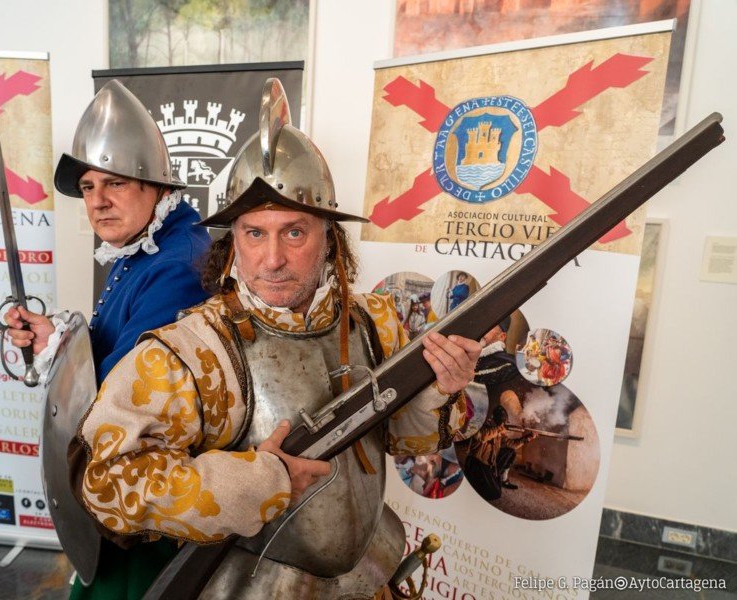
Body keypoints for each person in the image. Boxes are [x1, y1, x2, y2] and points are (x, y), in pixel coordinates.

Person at [68, 79, 482, 598]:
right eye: (254, 234)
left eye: (294, 232)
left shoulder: (375, 322)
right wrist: (258, 482)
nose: (272, 260)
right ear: (233, 238)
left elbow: (403, 440)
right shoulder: (196, 350)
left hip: (369, 572)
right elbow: (106, 482)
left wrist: (435, 391)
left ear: (328, 235)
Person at [3, 80, 211, 598]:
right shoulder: (144, 248)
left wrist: (60, 359)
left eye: (114, 184)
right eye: (89, 187)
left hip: (149, 511)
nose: (97, 202)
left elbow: (120, 395)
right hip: (124, 493)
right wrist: (58, 341)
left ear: (158, 187)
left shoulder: (178, 266)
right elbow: (110, 349)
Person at [463, 405, 537, 501]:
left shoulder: (498, 431)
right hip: (476, 463)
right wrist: (499, 429)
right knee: (495, 494)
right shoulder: (481, 425)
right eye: (502, 422)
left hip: (488, 464)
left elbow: (511, 444)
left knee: (510, 452)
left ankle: (501, 479)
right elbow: (481, 436)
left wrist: (527, 438)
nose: (503, 424)